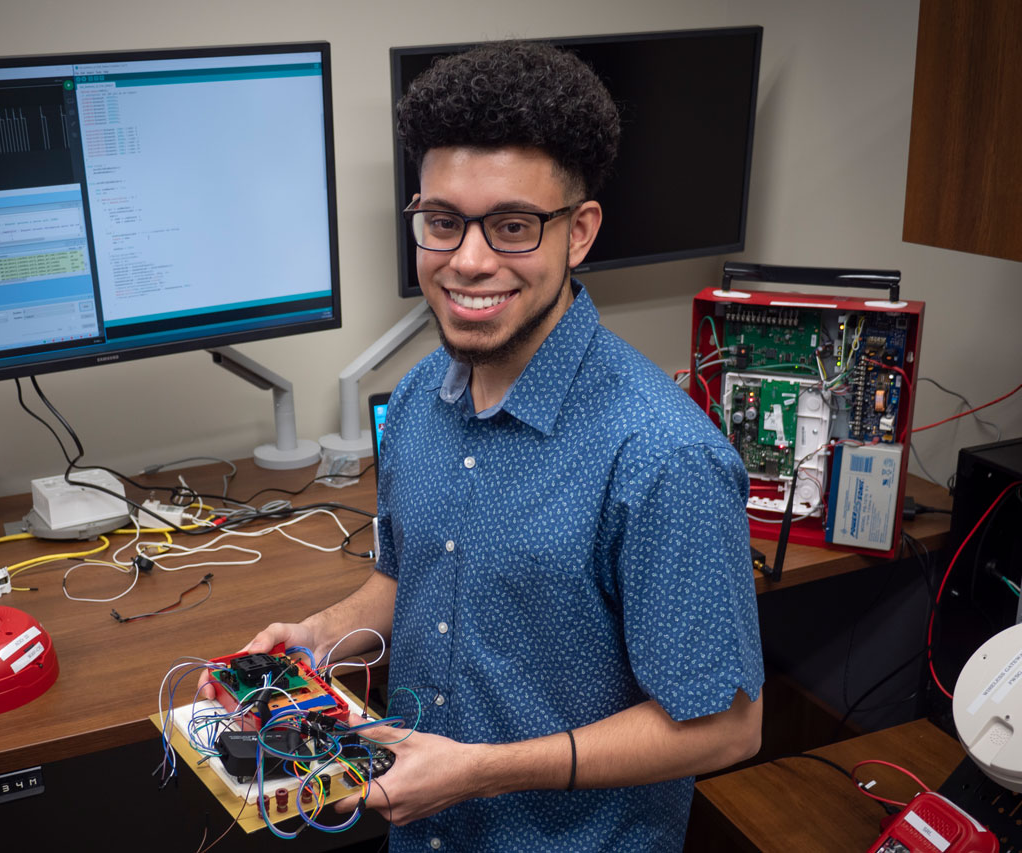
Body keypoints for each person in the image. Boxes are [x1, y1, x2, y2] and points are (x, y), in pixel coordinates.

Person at [209, 39, 763, 851]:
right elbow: (414, 575)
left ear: (579, 233)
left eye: (511, 226)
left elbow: (727, 728)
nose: (467, 261)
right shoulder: (420, 400)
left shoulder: (660, 455)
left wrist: (481, 769)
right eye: (441, 223)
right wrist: (322, 632)